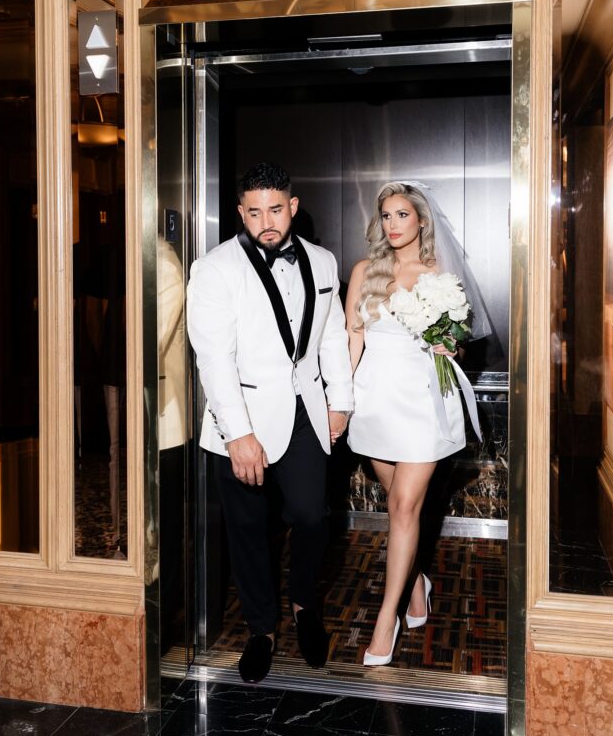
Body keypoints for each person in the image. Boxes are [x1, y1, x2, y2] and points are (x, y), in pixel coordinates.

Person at [187, 162, 353, 683]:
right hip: (240, 419)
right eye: (254, 212)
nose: (266, 221)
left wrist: (340, 401)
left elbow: (330, 337)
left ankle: (305, 605)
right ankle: (261, 629)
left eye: (275, 209)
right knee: (248, 530)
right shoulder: (214, 268)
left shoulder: (323, 262)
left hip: (305, 412)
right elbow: (213, 358)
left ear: (293, 207)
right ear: (240, 212)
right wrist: (239, 435)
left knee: (310, 517)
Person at [346, 181, 487, 666]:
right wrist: (340, 403)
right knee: (397, 501)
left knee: (404, 507)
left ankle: (386, 619)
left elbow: (460, 342)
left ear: (421, 220)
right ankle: (417, 579)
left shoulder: (440, 275)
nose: (393, 224)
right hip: (375, 402)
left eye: (402, 215)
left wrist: (453, 346)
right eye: (386, 216)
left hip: (424, 403)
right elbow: (353, 341)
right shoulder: (365, 271)